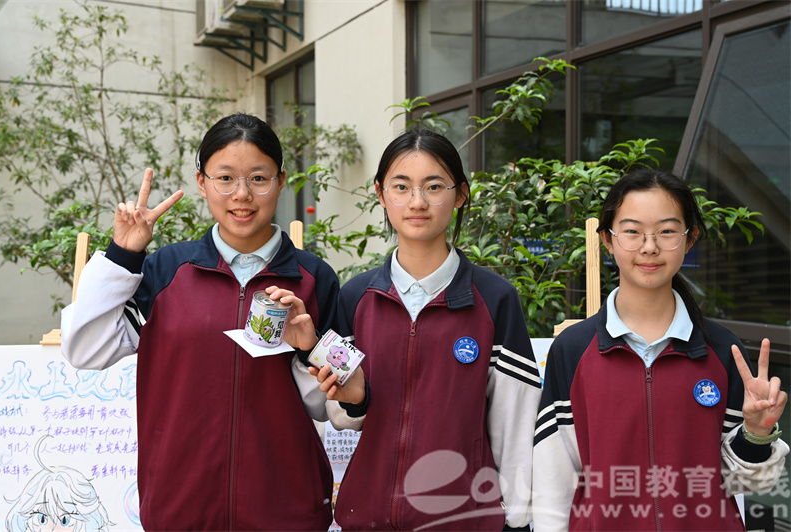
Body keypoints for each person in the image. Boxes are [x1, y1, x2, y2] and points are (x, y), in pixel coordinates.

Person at [60, 113, 339, 531]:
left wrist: (307, 347)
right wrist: (122, 255)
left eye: (258, 178)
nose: (242, 194)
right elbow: (84, 349)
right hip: (180, 507)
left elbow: (330, 405)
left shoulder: (314, 278)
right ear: (202, 182)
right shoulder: (165, 271)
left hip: (287, 509)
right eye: (225, 178)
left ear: (280, 182)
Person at [532, 167, 789, 531]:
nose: (649, 247)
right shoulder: (573, 351)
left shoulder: (722, 352)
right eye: (632, 231)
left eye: (667, 231)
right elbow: (552, 483)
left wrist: (756, 434)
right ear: (607, 240)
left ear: (690, 238)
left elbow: (747, 484)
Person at [311, 129, 541, 530]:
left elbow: (515, 424)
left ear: (461, 194)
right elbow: (341, 415)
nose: (417, 202)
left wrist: (519, 520)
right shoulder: (356, 297)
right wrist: (354, 400)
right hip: (369, 520)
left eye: (434, 187)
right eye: (401, 187)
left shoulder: (494, 300)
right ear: (381, 195)